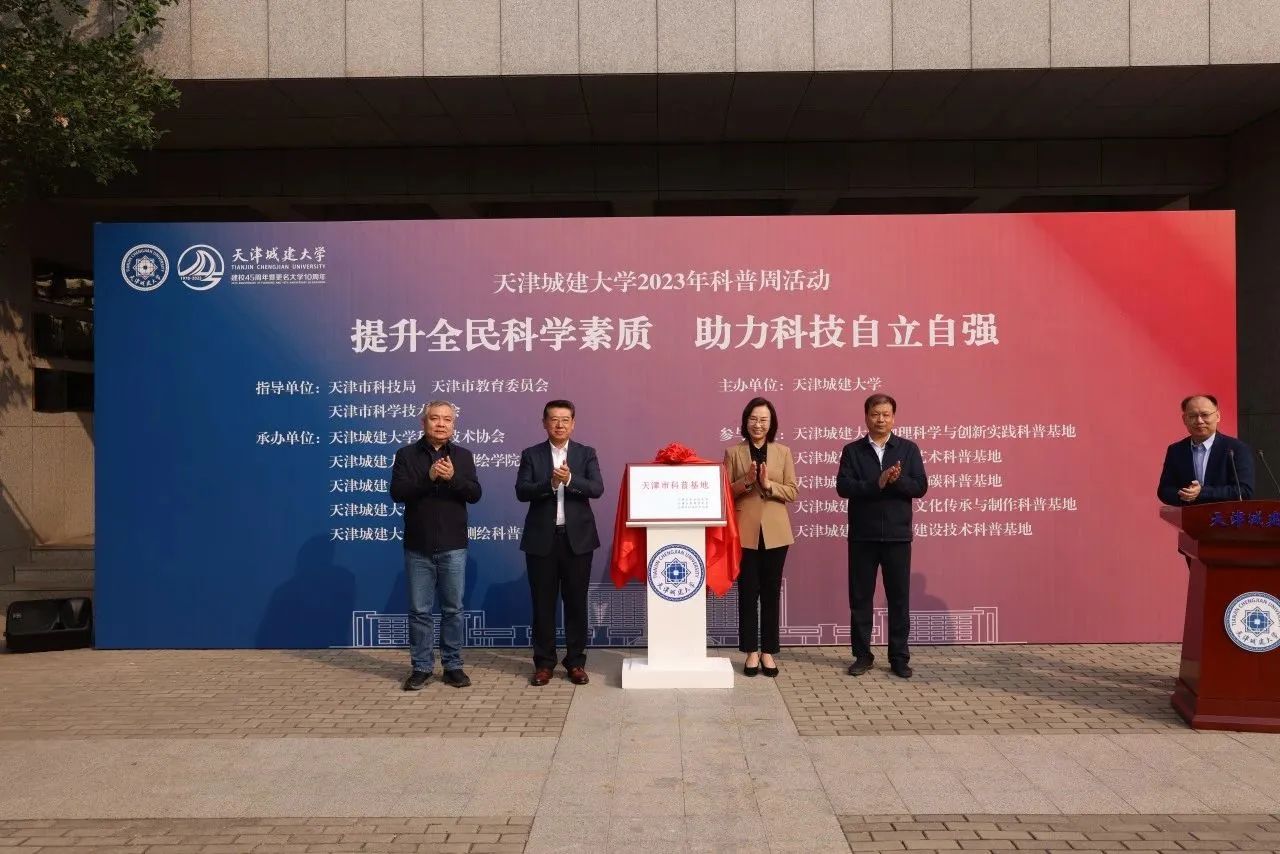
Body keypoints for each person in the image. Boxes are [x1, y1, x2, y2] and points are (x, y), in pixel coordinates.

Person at [389, 401, 482, 691]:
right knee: (420, 611)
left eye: (447, 419)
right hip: (418, 546)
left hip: (454, 545)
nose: (441, 424)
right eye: (435, 418)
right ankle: (421, 667)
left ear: (453, 424)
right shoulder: (406, 455)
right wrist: (428, 479)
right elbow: (398, 492)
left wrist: (453, 479)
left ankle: (453, 666)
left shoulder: (463, 456)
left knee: (453, 609)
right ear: (424, 422)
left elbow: (474, 493)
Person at [836, 393, 928, 679]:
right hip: (862, 536)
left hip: (898, 537)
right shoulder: (853, 451)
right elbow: (843, 487)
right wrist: (877, 482)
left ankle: (899, 658)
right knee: (860, 599)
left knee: (898, 599)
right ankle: (862, 655)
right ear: (866, 416)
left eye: (886, 414)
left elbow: (920, 487)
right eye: (875, 414)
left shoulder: (908, 449)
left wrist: (896, 480)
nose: (880, 419)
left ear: (893, 418)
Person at [516, 400, 604, 686]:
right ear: (544, 423)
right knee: (543, 605)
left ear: (573, 424)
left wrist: (571, 479)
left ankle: (575, 662)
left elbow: (597, 488)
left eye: (565, 420)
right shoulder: (531, 454)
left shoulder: (586, 453)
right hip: (542, 541)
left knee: (576, 603)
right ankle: (544, 663)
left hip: (577, 541)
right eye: (554, 419)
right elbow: (522, 491)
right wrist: (551, 485)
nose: (559, 424)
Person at [724, 397, 798, 677]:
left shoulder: (783, 452)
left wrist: (768, 485)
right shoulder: (733, 452)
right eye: (753, 419)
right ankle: (750, 652)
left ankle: (768, 651)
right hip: (745, 532)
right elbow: (724, 492)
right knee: (747, 592)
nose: (758, 424)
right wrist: (745, 482)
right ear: (746, 422)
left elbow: (792, 491)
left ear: (771, 423)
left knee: (770, 593)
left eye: (763, 420)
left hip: (776, 533)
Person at [1157, 394, 1255, 505]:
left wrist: (1202, 492)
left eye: (1205, 415)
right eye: (1192, 416)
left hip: (1223, 514)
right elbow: (1164, 490)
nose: (1199, 421)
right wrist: (1187, 495)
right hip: (1189, 514)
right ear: (1184, 419)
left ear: (1217, 416)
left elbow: (1244, 491)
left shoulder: (1236, 448)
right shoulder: (1176, 450)